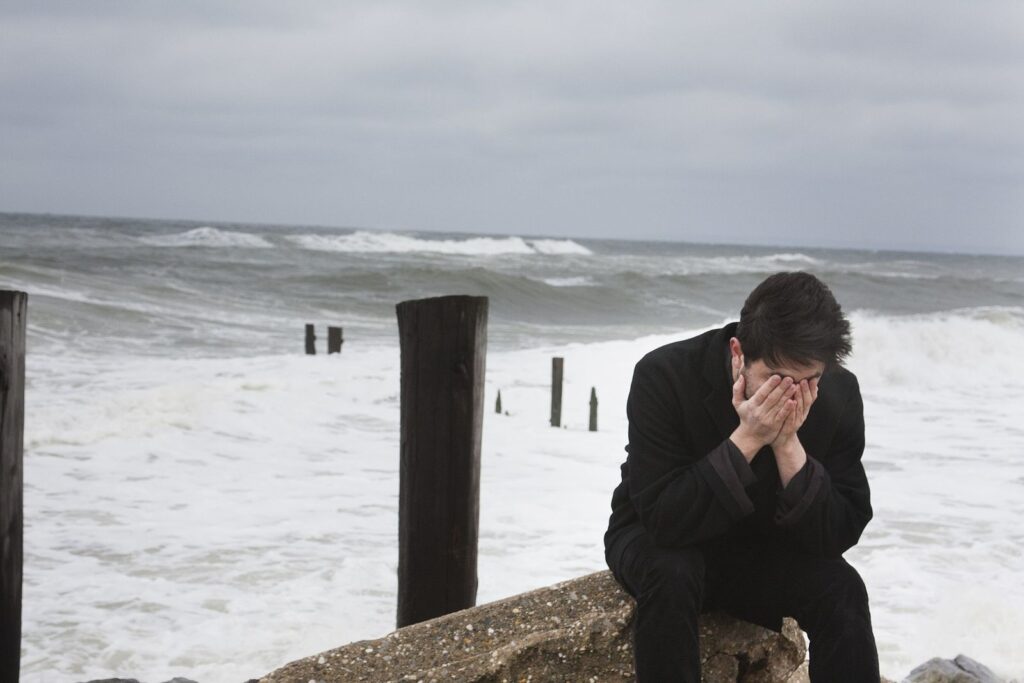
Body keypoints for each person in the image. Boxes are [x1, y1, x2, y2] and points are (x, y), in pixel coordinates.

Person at [603, 271, 879, 682]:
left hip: (761, 547)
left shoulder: (838, 392)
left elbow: (841, 530)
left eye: (807, 382)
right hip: (658, 538)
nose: (790, 396)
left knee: (843, 588)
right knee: (672, 572)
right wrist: (747, 438)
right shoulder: (664, 373)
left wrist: (789, 447)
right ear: (738, 352)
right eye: (776, 379)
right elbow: (664, 518)